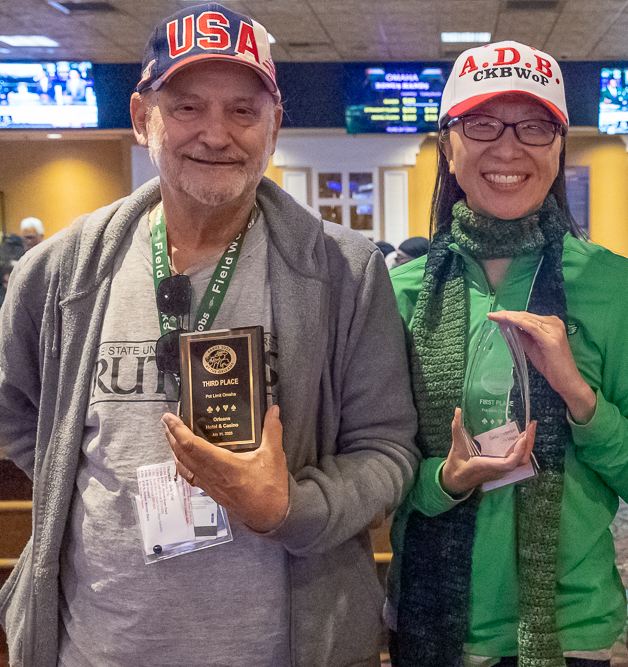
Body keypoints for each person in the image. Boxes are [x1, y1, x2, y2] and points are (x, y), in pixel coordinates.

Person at [0, 4, 418, 666]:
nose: (216, 134)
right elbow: (19, 411)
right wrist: (78, 477)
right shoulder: (58, 273)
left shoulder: (345, 273)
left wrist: (290, 506)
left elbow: (387, 450)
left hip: (287, 649)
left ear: (274, 126)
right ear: (143, 117)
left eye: (243, 111)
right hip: (100, 646)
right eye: (187, 107)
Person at [387, 41, 628, 667]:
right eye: (482, 124)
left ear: (559, 146)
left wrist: (579, 398)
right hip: (433, 625)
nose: (508, 147)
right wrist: (446, 480)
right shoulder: (399, 293)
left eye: (534, 127)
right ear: (447, 145)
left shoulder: (619, 287)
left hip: (571, 633)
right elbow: (375, 469)